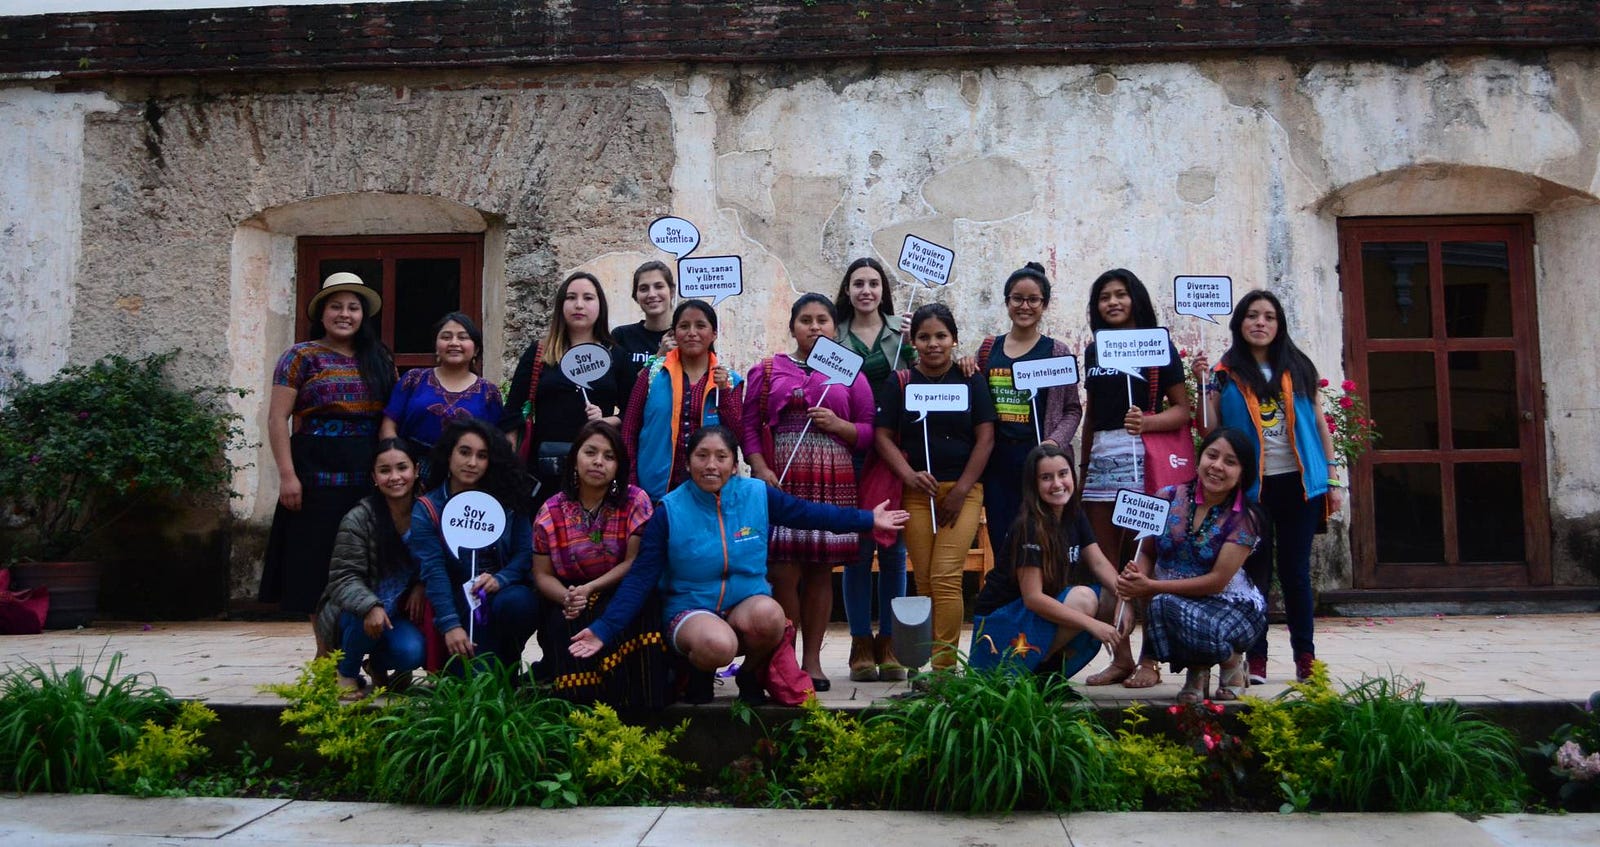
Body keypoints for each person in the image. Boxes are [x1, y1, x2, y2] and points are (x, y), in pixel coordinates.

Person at [568, 426, 909, 703]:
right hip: (691, 610)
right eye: (701, 456)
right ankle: (695, 672)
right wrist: (603, 630)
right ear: (688, 463)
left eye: (721, 457)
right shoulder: (668, 510)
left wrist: (867, 520)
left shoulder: (757, 494)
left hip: (746, 600)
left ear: (735, 464)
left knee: (772, 617)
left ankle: (750, 673)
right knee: (718, 645)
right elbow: (640, 578)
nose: (711, 465)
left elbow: (810, 513)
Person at [1193, 290, 1342, 683]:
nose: (1261, 323)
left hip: (1299, 485)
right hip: (1253, 488)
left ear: (1279, 326)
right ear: (1239, 324)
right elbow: (1209, 429)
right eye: (1253, 316)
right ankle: (1254, 657)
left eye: (1269, 317)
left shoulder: (1298, 367)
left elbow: (1320, 425)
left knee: (1295, 573)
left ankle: (1305, 658)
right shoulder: (1224, 372)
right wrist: (1202, 384)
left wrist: (1332, 477)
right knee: (1256, 573)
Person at [741, 293, 877, 692]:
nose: (814, 327)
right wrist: (761, 468)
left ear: (836, 328)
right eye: (805, 320)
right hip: (781, 474)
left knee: (820, 572)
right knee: (783, 571)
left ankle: (813, 660)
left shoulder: (851, 372)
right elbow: (749, 426)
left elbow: (870, 431)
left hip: (832, 474)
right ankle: (782, 657)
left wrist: (839, 425)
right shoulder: (767, 370)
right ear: (792, 326)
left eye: (823, 320)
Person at [261, 272, 396, 651]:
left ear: (362, 315)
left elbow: (390, 418)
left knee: (367, 563)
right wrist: (287, 476)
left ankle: (368, 654)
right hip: (314, 475)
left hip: (366, 476)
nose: (345, 314)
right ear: (322, 312)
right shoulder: (299, 356)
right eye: (336, 306)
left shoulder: (380, 358)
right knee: (315, 565)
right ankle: (326, 654)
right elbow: (276, 419)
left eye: (353, 307)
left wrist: (391, 470)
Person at [1078, 268, 1190, 690]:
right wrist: (1084, 466)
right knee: (1106, 567)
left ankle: (1150, 661)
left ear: (1136, 299)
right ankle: (1120, 657)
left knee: (1147, 563)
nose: (1112, 302)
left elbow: (1182, 411)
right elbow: (1091, 413)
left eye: (1120, 294)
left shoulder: (1160, 346)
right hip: (1102, 469)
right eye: (1104, 296)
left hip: (1149, 467)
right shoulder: (1093, 351)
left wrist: (1148, 420)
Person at [873, 303, 996, 673]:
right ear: (913, 341)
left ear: (954, 339)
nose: (933, 344)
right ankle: (920, 664)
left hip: (963, 492)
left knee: (945, 576)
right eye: (924, 337)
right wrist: (908, 476)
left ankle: (944, 670)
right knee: (925, 579)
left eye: (941, 336)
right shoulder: (901, 382)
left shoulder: (970, 379)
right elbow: (882, 436)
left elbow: (986, 438)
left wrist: (961, 490)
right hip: (916, 493)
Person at [1115, 428, 1265, 703]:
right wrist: (1134, 580)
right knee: (1164, 605)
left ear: (1243, 472)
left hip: (1231, 606)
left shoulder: (1247, 518)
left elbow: (1217, 581)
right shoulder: (1168, 497)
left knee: (1163, 603)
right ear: (1198, 460)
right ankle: (1198, 671)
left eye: (1230, 462)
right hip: (1177, 601)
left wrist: (1151, 586)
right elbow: (1147, 551)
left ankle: (1231, 661)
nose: (1217, 466)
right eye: (1212, 455)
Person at [530, 421, 665, 708]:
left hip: (622, 590)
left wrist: (591, 588)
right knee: (561, 621)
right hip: (570, 596)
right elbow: (541, 574)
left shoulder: (635, 501)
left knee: (645, 607)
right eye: (590, 452)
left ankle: (637, 710)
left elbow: (635, 562)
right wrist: (566, 596)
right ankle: (581, 713)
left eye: (609, 456)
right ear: (575, 459)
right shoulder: (550, 510)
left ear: (618, 466)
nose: (598, 462)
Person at [970, 443, 1123, 678]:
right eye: (1046, 477)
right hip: (1000, 623)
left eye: (1063, 474)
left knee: (1110, 597)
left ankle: (1049, 675)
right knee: (1083, 598)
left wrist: (1126, 598)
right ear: (1033, 485)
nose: (1057, 484)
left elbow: (1099, 564)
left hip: (1031, 617)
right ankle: (1025, 675)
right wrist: (1091, 624)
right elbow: (1033, 598)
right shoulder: (1029, 526)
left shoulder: (1074, 514)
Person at [833, 257, 913, 683]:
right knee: (857, 550)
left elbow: (928, 370)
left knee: (894, 548)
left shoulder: (903, 331)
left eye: (874, 283)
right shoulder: (834, 335)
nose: (866, 290)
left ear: (884, 290)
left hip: (892, 450)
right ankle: (861, 643)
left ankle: (893, 642)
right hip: (849, 450)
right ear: (847, 290)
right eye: (858, 283)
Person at [409, 418, 539, 672]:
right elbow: (434, 571)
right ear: (449, 454)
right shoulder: (427, 509)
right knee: (472, 678)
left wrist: (501, 579)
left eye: (481, 456)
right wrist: (450, 625)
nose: (472, 463)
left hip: (503, 594)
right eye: (464, 452)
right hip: (456, 600)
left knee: (519, 603)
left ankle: (509, 657)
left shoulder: (508, 498)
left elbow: (525, 553)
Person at [500, 271, 636, 510]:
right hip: (544, 467)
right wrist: (510, 463)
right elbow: (513, 412)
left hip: (597, 466)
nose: (579, 305)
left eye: (588, 298)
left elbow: (634, 413)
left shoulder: (616, 355)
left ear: (600, 306)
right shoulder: (539, 353)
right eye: (571, 297)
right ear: (561, 305)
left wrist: (608, 420)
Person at [974, 262, 1083, 555]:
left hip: (1040, 462)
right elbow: (976, 401)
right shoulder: (988, 349)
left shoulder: (1056, 352)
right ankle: (1011, 599)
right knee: (1004, 539)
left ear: (1044, 304)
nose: (1025, 306)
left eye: (1033, 299)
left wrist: (1053, 442)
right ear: (1007, 301)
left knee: (1045, 541)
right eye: (1017, 298)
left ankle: (1045, 599)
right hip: (998, 462)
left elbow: (1073, 409)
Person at [313, 438, 427, 698]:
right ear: (374, 477)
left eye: (402, 468)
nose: (395, 477)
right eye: (385, 471)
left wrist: (421, 584)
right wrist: (370, 605)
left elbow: (435, 559)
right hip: (351, 613)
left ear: (416, 470)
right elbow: (343, 577)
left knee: (413, 652)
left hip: (395, 615)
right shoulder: (359, 518)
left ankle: (376, 663)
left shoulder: (427, 512)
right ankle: (347, 672)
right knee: (363, 613)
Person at [621, 299, 742, 502]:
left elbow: (737, 434)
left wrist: (725, 393)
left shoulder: (729, 380)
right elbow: (629, 429)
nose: (691, 332)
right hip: (653, 491)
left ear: (714, 334)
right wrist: (632, 483)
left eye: (700, 326)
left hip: (711, 494)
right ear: (674, 333)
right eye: (684, 326)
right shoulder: (653, 373)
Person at [380, 312, 503, 476]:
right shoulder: (413, 379)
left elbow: (494, 443)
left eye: (462, 337)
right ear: (436, 347)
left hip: (466, 476)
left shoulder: (489, 392)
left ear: (476, 349)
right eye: (446, 337)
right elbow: (388, 427)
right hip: (412, 472)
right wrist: (399, 466)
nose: (454, 343)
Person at [611, 261, 676, 376]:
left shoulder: (685, 335)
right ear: (636, 296)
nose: (651, 294)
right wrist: (659, 357)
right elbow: (623, 388)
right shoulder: (621, 336)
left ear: (671, 291)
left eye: (659, 286)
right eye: (644, 289)